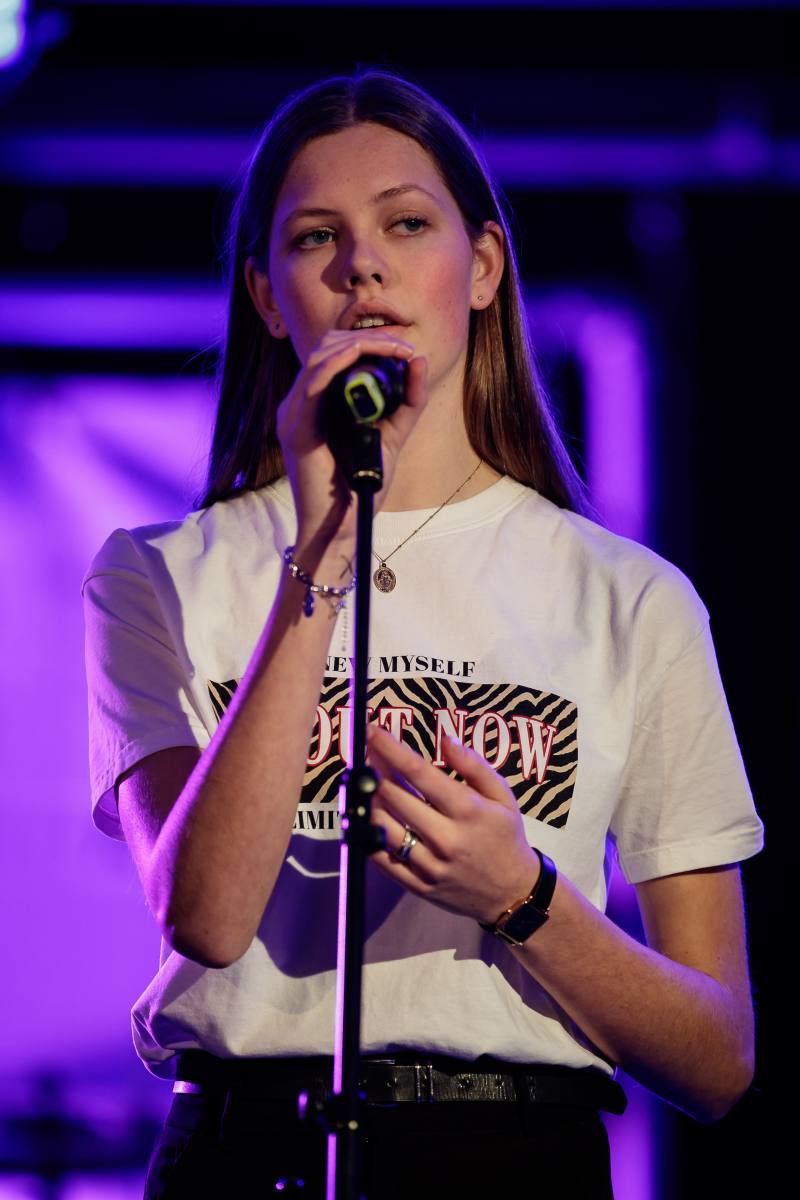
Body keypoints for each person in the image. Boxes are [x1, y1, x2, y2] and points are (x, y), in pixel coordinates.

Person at [82, 69, 763, 1199]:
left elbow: (715, 1057)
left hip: (516, 1156)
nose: (363, 265)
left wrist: (521, 896)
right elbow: (202, 914)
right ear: (264, 294)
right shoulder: (157, 572)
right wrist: (317, 553)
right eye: (315, 239)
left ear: (481, 268)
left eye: (405, 223)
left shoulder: (629, 599)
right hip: (250, 1155)